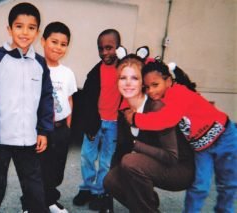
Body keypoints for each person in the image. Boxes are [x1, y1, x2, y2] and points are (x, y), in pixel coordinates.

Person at [124, 60, 237, 212]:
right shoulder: (162, 98)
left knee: (227, 183)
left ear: (168, 81)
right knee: (199, 187)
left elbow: (164, 120)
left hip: (225, 137)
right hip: (201, 147)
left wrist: (135, 119)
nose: (150, 91)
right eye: (147, 87)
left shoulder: (179, 93)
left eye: (155, 85)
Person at [0, 3, 53, 213]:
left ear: (37, 32)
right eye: (19, 26)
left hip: (28, 140)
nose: (25, 32)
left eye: (31, 27)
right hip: (0, 139)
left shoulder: (39, 64)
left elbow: (46, 100)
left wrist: (43, 131)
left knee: (34, 189)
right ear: (9, 29)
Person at [103, 54, 195, 213]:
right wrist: (107, 198)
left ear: (143, 83)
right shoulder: (125, 113)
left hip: (180, 168)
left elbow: (171, 156)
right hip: (154, 163)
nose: (128, 83)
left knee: (131, 162)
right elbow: (120, 151)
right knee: (111, 180)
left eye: (134, 78)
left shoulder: (156, 108)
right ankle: (147, 206)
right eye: (122, 77)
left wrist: (136, 145)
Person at [72, 29, 122, 211]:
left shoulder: (125, 70)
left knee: (106, 161)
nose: (104, 53)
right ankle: (86, 188)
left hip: (114, 124)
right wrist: (88, 124)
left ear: (119, 47)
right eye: (101, 49)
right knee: (87, 156)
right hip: (95, 123)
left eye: (109, 48)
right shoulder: (95, 73)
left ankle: (101, 191)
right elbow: (86, 101)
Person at [40, 21, 77, 213]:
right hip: (39, 129)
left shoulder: (67, 73)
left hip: (60, 128)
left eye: (63, 44)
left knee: (56, 168)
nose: (58, 47)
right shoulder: (35, 68)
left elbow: (69, 98)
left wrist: (67, 125)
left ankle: (50, 201)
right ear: (43, 41)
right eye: (54, 42)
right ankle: (31, 204)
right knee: (36, 169)